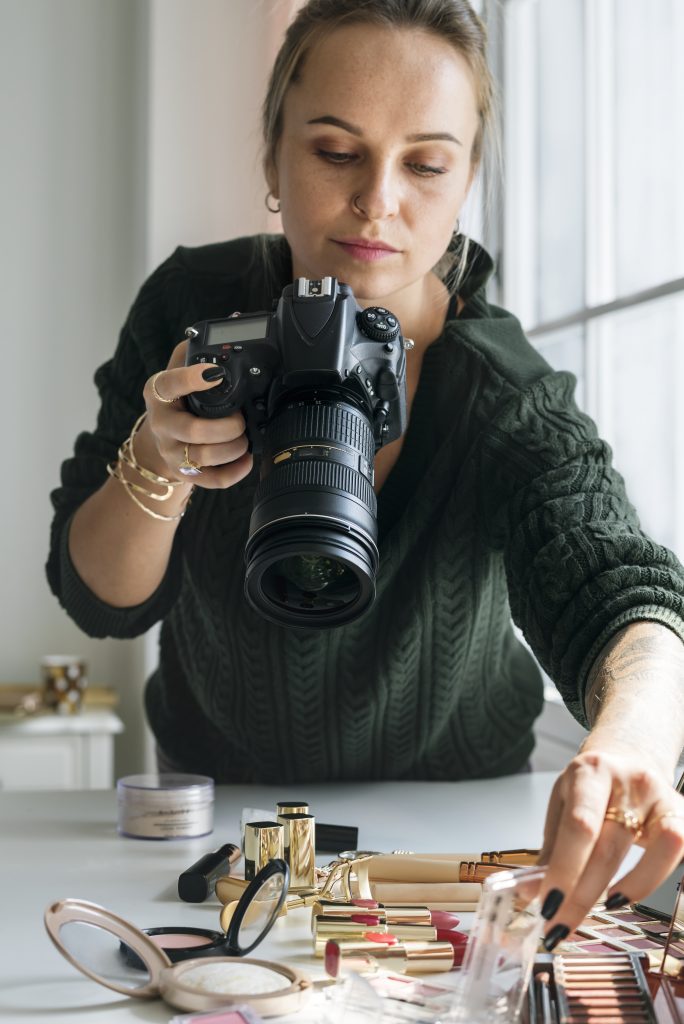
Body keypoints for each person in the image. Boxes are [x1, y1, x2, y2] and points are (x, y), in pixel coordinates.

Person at [47, 0, 684, 949]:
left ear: (466, 179)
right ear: (272, 157)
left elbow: (618, 581)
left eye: (426, 163)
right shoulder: (192, 309)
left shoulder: (495, 382)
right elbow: (101, 599)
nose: (379, 200)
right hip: (221, 832)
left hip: (461, 831)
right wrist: (155, 460)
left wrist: (632, 741)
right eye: (336, 152)